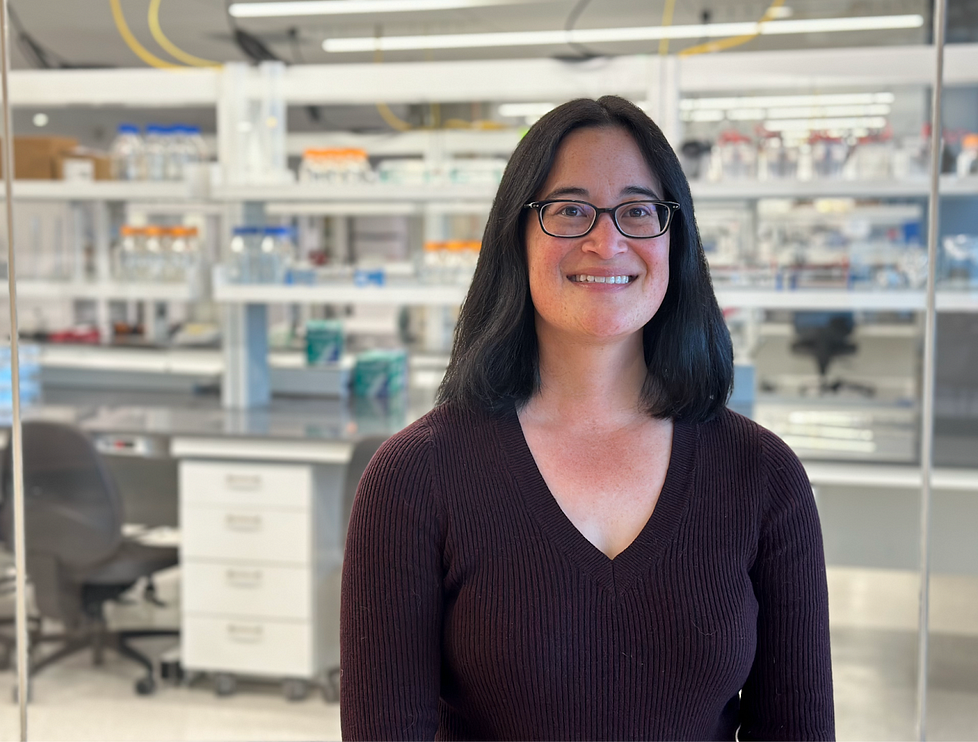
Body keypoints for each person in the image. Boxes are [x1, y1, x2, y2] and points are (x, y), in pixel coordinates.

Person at [340, 95, 835, 741]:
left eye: (638, 211)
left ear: (673, 237)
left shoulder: (762, 475)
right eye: (570, 210)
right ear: (516, 236)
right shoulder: (416, 476)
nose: (607, 241)